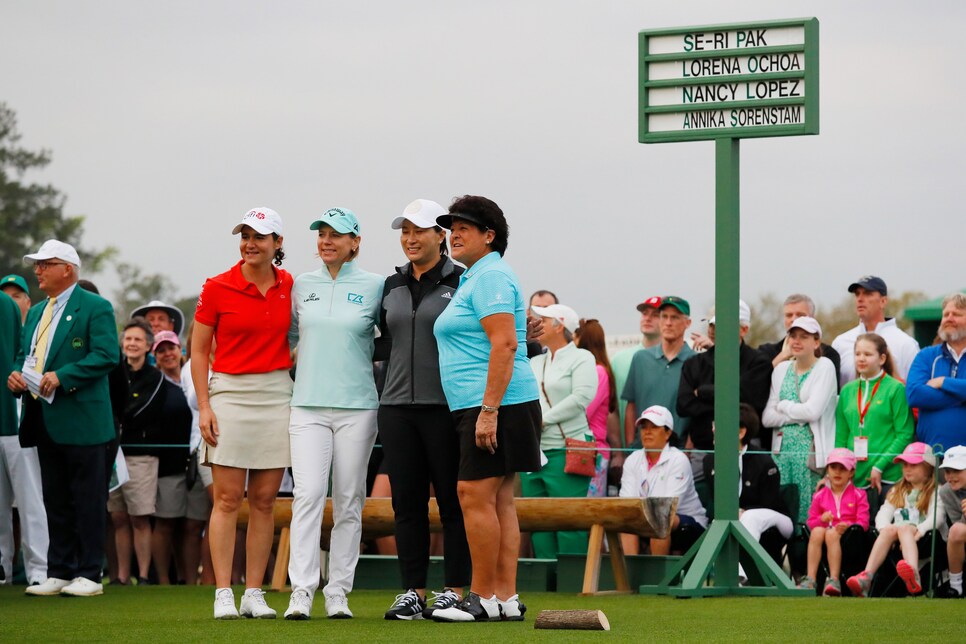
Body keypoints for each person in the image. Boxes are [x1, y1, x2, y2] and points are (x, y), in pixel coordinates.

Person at [431, 195, 542, 622]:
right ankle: (505, 598)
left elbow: (506, 344)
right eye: (451, 227)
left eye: (464, 227)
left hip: (496, 404)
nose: (453, 234)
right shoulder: (478, 276)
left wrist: (489, 410)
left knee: (473, 495)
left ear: (489, 236)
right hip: (492, 403)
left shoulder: (490, 276)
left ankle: (480, 598)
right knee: (497, 501)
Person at [191, 207, 293, 619]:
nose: (250, 243)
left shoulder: (290, 285)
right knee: (229, 499)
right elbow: (198, 351)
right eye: (245, 235)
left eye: (260, 236)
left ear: (278, 244)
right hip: (230, 393)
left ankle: (254, 592)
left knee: (266, 500)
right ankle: (222, 593)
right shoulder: (217, 286)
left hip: (276, 394)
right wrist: (204, 406)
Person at [285, 207, 383, 621]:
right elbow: (288, 335)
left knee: (348, 500)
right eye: (321, 234)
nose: (326, 241)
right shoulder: (300, 284)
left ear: (355, 242)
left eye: (336, 235)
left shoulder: (377, 285)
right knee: (307, 496)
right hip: (306, 405)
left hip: (358, 407)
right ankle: (302, 590)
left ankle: (338, 591)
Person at [375, 198, 471, 621]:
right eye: (404, 231)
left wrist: (530, 335)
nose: (410, 239)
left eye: (419, 230)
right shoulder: (390, 286)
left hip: (446, 407)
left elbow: (488, 333)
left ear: (441, 235)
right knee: (406, 505)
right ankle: (412, 591)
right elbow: (381, 343)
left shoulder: (464, 282)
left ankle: (454, 589)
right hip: (395, 408)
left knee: (453, 503)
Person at [7, 240, 118, 597]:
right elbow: (26, 355)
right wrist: (15, 376)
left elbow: (106, 355)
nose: (37, 270)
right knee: (55, 497)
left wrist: (64, 376)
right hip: (43, 415)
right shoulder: (37, 311)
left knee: (86, 497)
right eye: (37, 264)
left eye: (45, 264)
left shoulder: (96, 307)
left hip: (83, 418)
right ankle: (59, 570)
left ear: (67, 269)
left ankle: (89, 572)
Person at [520, 303, 596, 559]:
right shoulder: (536, 359)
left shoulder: (583, 357)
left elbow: (582, 398)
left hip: (569, 448)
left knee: (568, 522)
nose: (537, 322)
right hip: (534, 450)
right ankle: (546, 579)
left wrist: (541, 419)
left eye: (544, 318)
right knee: (538, 523)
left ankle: (570, 579)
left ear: (559, 325)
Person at [676, 300, 772, 472]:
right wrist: (731, 399)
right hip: (702, 451)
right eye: (712, 325)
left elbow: (753, 403)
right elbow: (684, 405)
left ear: (744, 329)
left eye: (722, 325)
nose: (713, 330)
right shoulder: (694, 364)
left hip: (747, 453)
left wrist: (705, 392)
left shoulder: (759, 363)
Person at [704, 404, 792, 582]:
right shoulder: (710, 460)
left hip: (777, 519)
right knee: (720, 521)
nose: (714, 430)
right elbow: (715, 500)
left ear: (741, 432)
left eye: (720, 426)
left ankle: (740, 576)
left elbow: (770, 503)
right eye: (714, 425)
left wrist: (742, 511)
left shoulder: (764, 461)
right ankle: (721, 574)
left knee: (750, 517)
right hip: (738, 517)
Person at [762, 317, 838, 524]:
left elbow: (812, 412)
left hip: (810, 455)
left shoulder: (825, 366)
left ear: (816, 342)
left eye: (804, 337)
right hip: (781, 453)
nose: (796, 341)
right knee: (783, 510)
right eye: (793, 336)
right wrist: (798, 415)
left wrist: (784, 406)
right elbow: (767, 417)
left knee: (808, 514)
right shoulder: (780, 370)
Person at [108, 318, 166, 585]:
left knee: (140, 517)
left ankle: (142, 574)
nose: (131, 344)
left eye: (138, 340)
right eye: (128, 339)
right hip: (113, 454)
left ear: (148, 346)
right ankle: (121, 576)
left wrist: (117, 418)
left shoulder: (156, 377)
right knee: (118, 517)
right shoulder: (113, 371)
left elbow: (142, 411)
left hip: (141, 455)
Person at [846, 442, 942, 597]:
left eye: (913, 465)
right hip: (897, 538)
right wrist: (885, 530)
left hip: (924, 539)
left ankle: (913, 573)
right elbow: (883, 513)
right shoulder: (897, 491)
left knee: (904, 528)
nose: (907, 469)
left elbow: (938, 517)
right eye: (905, 464)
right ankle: (867, 577)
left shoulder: (935, 491)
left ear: (928, 466)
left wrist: (920, 531)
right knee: (890, 528)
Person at [0, 281, 48, 586]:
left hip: (20, 424)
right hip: (9, 422)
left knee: (31, 499)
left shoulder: (31, 324)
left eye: (18, 295)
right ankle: (6, 567)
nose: (12, 300)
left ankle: (39, 570)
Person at [619, 406, 707, 555]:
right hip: (646, 518)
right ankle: (628, 575)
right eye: (643, 427)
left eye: (654, 427)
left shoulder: (679, 459)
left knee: (660, 519)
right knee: (627, 520)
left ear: (668, 433)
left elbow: (668, 506)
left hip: (690, 525)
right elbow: (627, 502)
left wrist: (638, 513)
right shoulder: (632, 459)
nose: (647, 431)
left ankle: (658, 576)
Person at [834, 333, 915, 492]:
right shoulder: (847, 391)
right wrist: (840, 467)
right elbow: (841, 437)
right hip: (853, 477)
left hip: (888, 477)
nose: (861, 358)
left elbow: (905, 434)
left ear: (882, 359)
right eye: (857, 354)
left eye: (868, 354)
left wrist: (879, 466)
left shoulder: (896, 389)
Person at [148, 330, 193, 585]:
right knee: (166, 523)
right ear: (155, 356)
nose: (168, 354)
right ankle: (164, 580)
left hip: (196, 459)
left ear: (180, 350)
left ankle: (189, 579)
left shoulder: (192, 378)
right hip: (168, 463)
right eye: (161, 350)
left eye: (171, 348)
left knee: (191, 526)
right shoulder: (156, 384)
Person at [621, 296, 694, 449]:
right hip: (641, 452)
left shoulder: (696, 362)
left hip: (678, 453)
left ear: (688, 323)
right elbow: (631, 406)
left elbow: (698, 414)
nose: (668, 323)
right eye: (664, 316)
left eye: (674, 317)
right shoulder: (640, 359)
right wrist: (630, 447)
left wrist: (688, 450)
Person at [798, 448, 870, 595]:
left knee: (831, 534)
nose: (837, 472)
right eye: (833, 467)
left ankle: (834, 580)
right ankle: (811, 579)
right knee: (818, 531)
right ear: (828, 470)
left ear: (851, 472)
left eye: (843, 468)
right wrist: (821, 519)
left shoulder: (859, 495)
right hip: (825, 535)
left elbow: (864, 522)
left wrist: (849, 526)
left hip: (850, 539)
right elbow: (810, 523)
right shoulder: (819, 496)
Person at [831, 276, 919, 386]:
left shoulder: (906, 344)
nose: (860, 299)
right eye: (857, 294)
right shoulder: (840, 343)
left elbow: (914, 389)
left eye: (867, 293)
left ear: (883, 301)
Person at [905, 292, 966, 452]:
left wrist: (943, 382)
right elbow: (914, 394)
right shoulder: (926, 356)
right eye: (946, 314)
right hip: (932, 457)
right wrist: (961, 396)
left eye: (956, 314)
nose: (949, 318)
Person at [757, 294, 842, 397]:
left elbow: (829, 394)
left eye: (800, 315)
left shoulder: (828, 355)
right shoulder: (766, 351)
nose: (794, 319)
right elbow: (757, 386)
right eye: (789, 315)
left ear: (812, 318)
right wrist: (783, 356)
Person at [574, 318, 620, 497]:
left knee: (588, 511)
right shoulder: (592, 370)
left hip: (592, 451)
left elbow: (584, 411)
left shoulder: (598, 372)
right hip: (580, 449)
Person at [609, 296, 662, 441]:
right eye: (645, 314)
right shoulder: (619, 359)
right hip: (628, 451)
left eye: (655, 315)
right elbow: (611, 409)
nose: (648, 318)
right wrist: (618, 451)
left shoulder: (673, 360)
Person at [937, 445, 966, 598]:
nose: (951, 477)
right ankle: (956, 587)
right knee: (955, 531)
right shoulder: (946, 491)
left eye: (957, 471)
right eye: (948, 471)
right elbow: (957, 525)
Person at [526, 290, 557, 358]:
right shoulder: (518, 344)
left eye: (547, 309)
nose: (542, 314)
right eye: (537, 309)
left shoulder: (567, 345)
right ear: (528, 312)